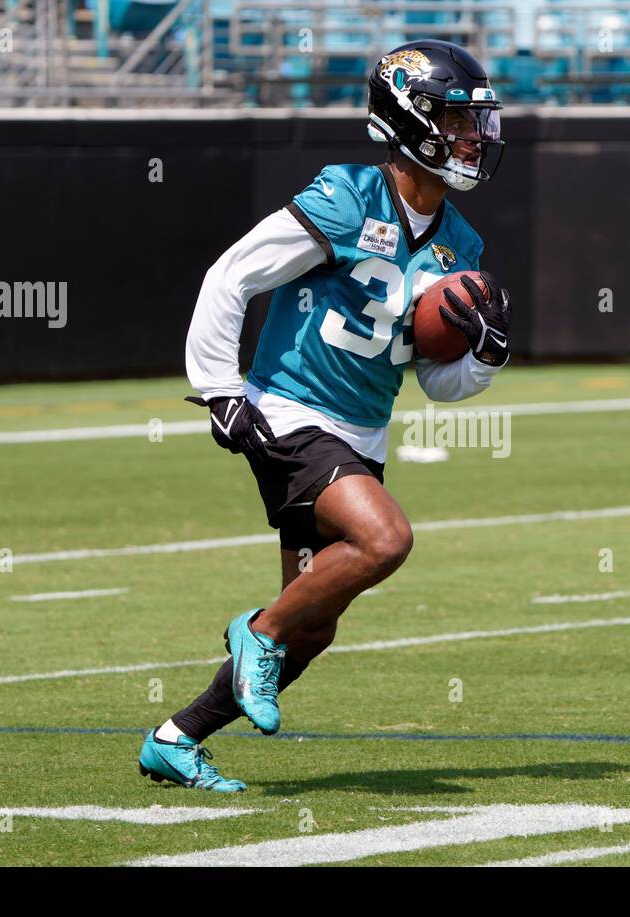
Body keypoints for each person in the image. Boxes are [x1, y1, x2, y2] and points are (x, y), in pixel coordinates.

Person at [138, 39, 512, 791]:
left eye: (477, 122)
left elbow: (435, 381)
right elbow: (231, 276)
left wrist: (484, 356)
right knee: (385, 540)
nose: (473, 137)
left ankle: (175, 738)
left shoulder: (460, 244)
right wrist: (219, 388)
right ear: (409, 121)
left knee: (314, 630)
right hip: (290, 410)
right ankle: (256, 631)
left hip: (362, 432)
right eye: (455, 121)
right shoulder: (348, 196)